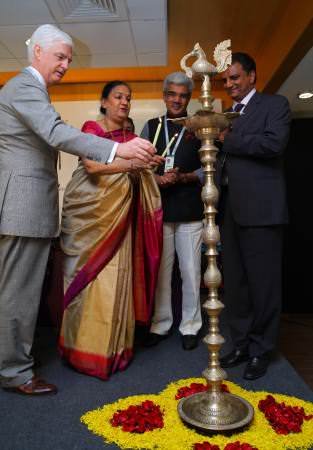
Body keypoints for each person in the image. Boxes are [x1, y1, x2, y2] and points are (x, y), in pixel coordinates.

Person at [0, 24, 156, 396]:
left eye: (69, 58)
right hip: (22, 207)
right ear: (37, 52)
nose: (66, 64)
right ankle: (14, 373)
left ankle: (14, 363)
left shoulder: (32, 90)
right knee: (17, 295)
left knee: (19, 293)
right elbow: (56, 132)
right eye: (60, 56)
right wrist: (116, 149)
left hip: (30, 208)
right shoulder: (24, 86)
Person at [59, 81, 163, 380]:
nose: (124, 102)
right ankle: (82, 351)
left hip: (121, 221)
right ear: (104, 101)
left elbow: (135, 171)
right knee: (90, 285)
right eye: (118, 97)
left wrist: (147, 165)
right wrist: (132, 163)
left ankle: (115, 349)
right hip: (91, 223)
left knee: (118, 282)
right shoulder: (91, 128)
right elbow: (92, 166)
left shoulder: (131, 138)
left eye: (128, 98)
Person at [216, 52, 291, 380]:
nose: (229, 84)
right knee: (235, 285)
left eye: (234, 78)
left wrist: (228, 140)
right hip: (229, 210)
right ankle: (242, 344)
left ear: (251, 76)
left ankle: (262, 350)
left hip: (262, 211)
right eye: (226, 80)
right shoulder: (225, 115)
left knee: (264, 286)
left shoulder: (275, 106)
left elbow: (274, 144)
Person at [142, 72, 203, 351]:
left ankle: (190, 326)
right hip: (159, 210)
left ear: (189, 98)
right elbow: (140, 168)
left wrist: (185, 177)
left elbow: (212, 169)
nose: (177, 100)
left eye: (183, 95)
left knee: (190, 272)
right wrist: (157, 179)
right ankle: (161, 324)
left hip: (190, 209)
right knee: (162, 272)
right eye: (172, 94)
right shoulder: (151, 125)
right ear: (165, 96)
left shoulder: (199, 127)